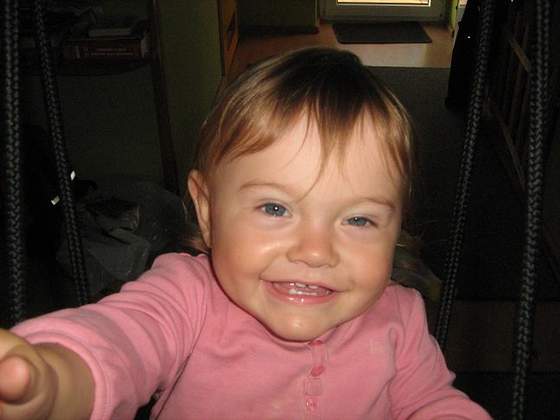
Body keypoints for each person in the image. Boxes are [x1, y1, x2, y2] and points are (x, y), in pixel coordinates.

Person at [0, 47, 491, 420]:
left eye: (358, 220)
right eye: (275, 208)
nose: (315, 252)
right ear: (208, 212)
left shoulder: (399, 318)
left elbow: (432, 401)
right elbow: (124, 339)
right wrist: (54, 379)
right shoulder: (188, 298)